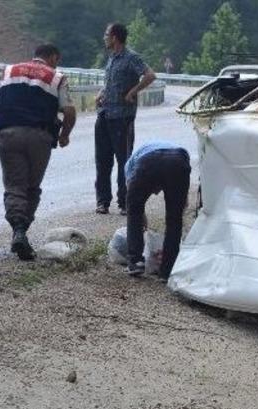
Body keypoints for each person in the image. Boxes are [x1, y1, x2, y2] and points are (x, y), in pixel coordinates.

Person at [0, 44, 77, 260]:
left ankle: (17, 230)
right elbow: (69, 111)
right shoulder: (56, 77)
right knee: (31, 188)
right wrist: (64, 135)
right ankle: (21, 232)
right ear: (53, 57)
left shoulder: (10, 70)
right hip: (40, 137)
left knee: (14, 186)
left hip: (8, 134)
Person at [95, 22, 156, 216]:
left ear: (115, 37)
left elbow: (150, 75)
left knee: (124, 161)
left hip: (122, 117)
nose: (104, 37)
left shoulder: (131, 57)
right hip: (104, 114)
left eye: (106, 34)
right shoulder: (111, 58)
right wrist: (101, 93)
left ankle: (124, 203)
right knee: (102, 161)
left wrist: (133, 91)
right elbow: (112, 82)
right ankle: (103, 202)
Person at [123, 141, 190, 280]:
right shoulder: (178, 151)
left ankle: (135, 262)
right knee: (174, 220)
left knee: (134, 211)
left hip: (148, 163)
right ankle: (167, 270)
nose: (155, 192)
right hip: (177, 161)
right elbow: (184, 202)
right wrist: (178, 211)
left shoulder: (131, 164)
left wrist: (140, 216)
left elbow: (133, 201)